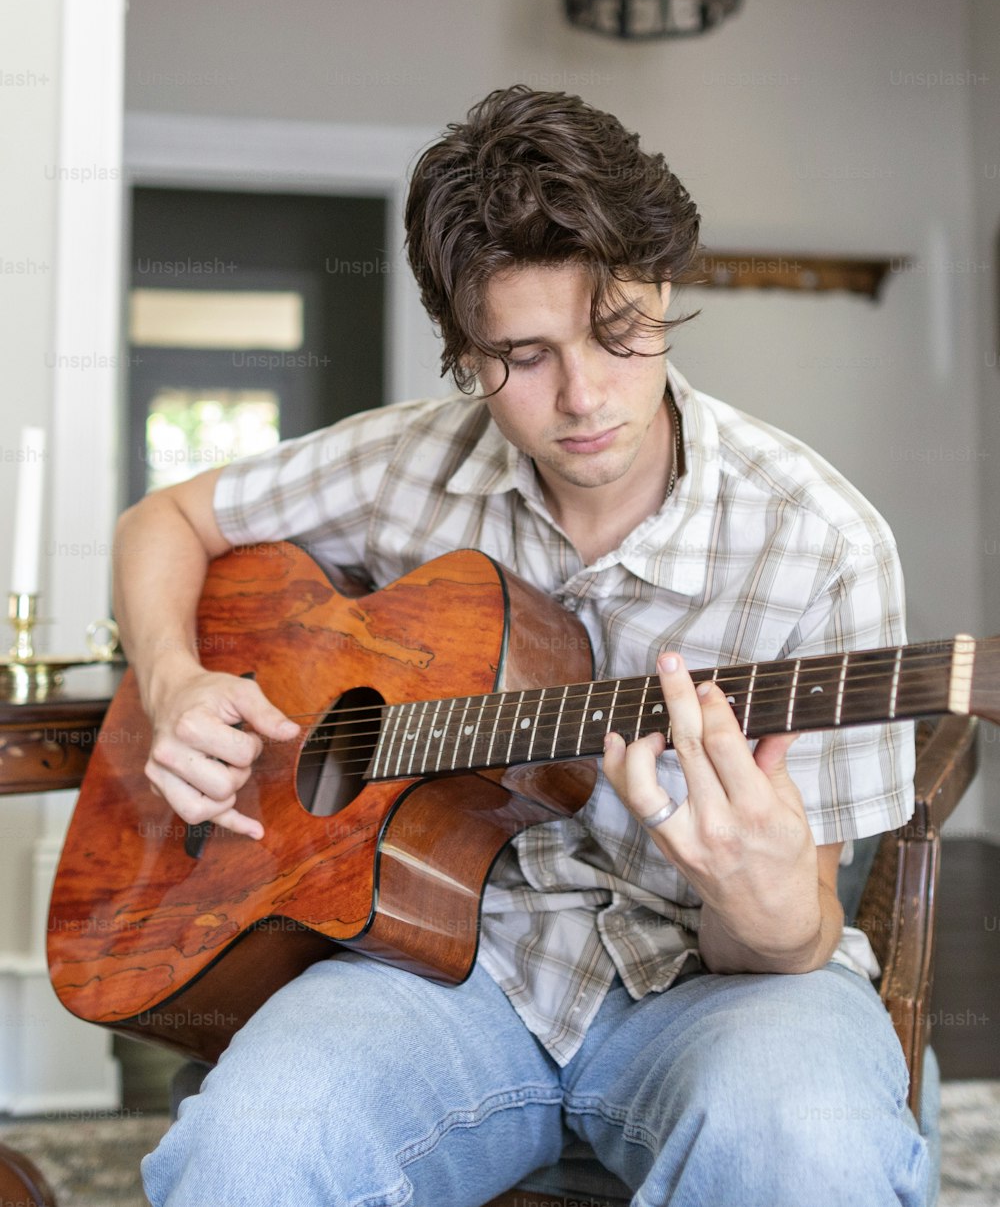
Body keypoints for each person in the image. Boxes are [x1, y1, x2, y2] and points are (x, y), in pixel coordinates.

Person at [124, 87, 928, 1206]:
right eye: (523, 354)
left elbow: (789, 944)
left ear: (662, 288)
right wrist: (172, 681)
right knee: (247, 1153)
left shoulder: (820, 542)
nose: (586, 395)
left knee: (806, 1150)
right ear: (462, 350)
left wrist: (756, 896)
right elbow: (163, 520)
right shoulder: (401, 463)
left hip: (723, 987)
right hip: (434, 969)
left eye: (620, 331)